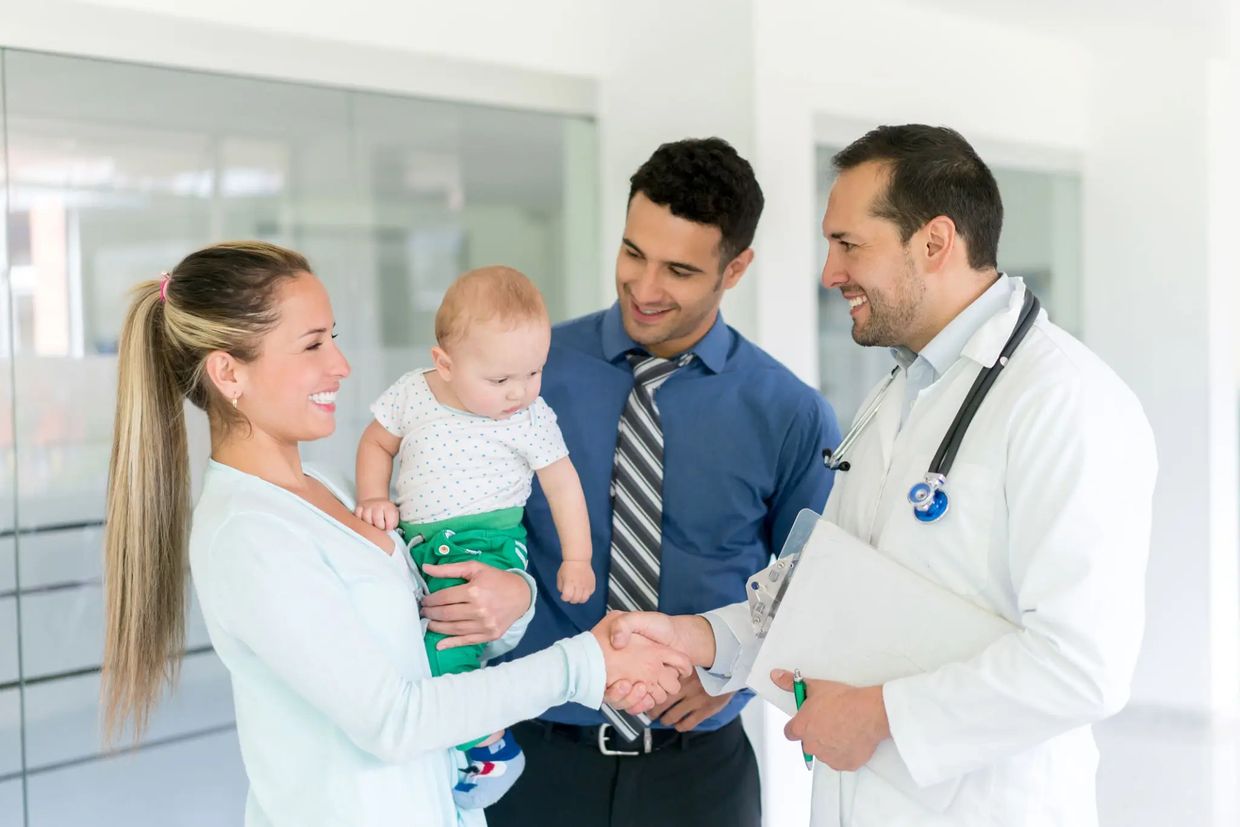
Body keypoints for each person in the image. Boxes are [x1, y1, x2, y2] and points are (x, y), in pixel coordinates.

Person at [611, 125, 1158, 826]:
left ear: (933, 242)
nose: (828, 273)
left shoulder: (1067, 401)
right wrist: (704, 637)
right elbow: (830, 589)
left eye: (847, 244)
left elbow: (1083, 664)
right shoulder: (903, 390)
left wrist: (881, 714)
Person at [99, 241, 691, 827]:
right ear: (228, 372)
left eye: (333, 336)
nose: (340, 364)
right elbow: (395, 720)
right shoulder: (248, 535)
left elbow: (426, 634)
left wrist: (513, 598)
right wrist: (582, 666)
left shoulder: (324, 488)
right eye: (312, 344)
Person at [487, 138, 842, 827]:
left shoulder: (788, 413)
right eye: (633, 253)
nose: (645, 289)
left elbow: (821, 589)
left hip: (699, 773)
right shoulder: (527, 375)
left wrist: (735, 675)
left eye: (678, 269)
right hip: (537, 756)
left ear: (735, 267)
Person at [353, 265, 595, 807]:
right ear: (445, 363)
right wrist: (373, 496)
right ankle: (456, 742)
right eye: (501, 380)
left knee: (448, 645)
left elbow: (563, 485)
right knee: (409, 647)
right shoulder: (413, 395)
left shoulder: (531, 418)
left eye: (534, 373)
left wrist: (577, 558)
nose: (520, 392)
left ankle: (490, 747)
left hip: (486, 546)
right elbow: (376, 443)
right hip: (414, 547)